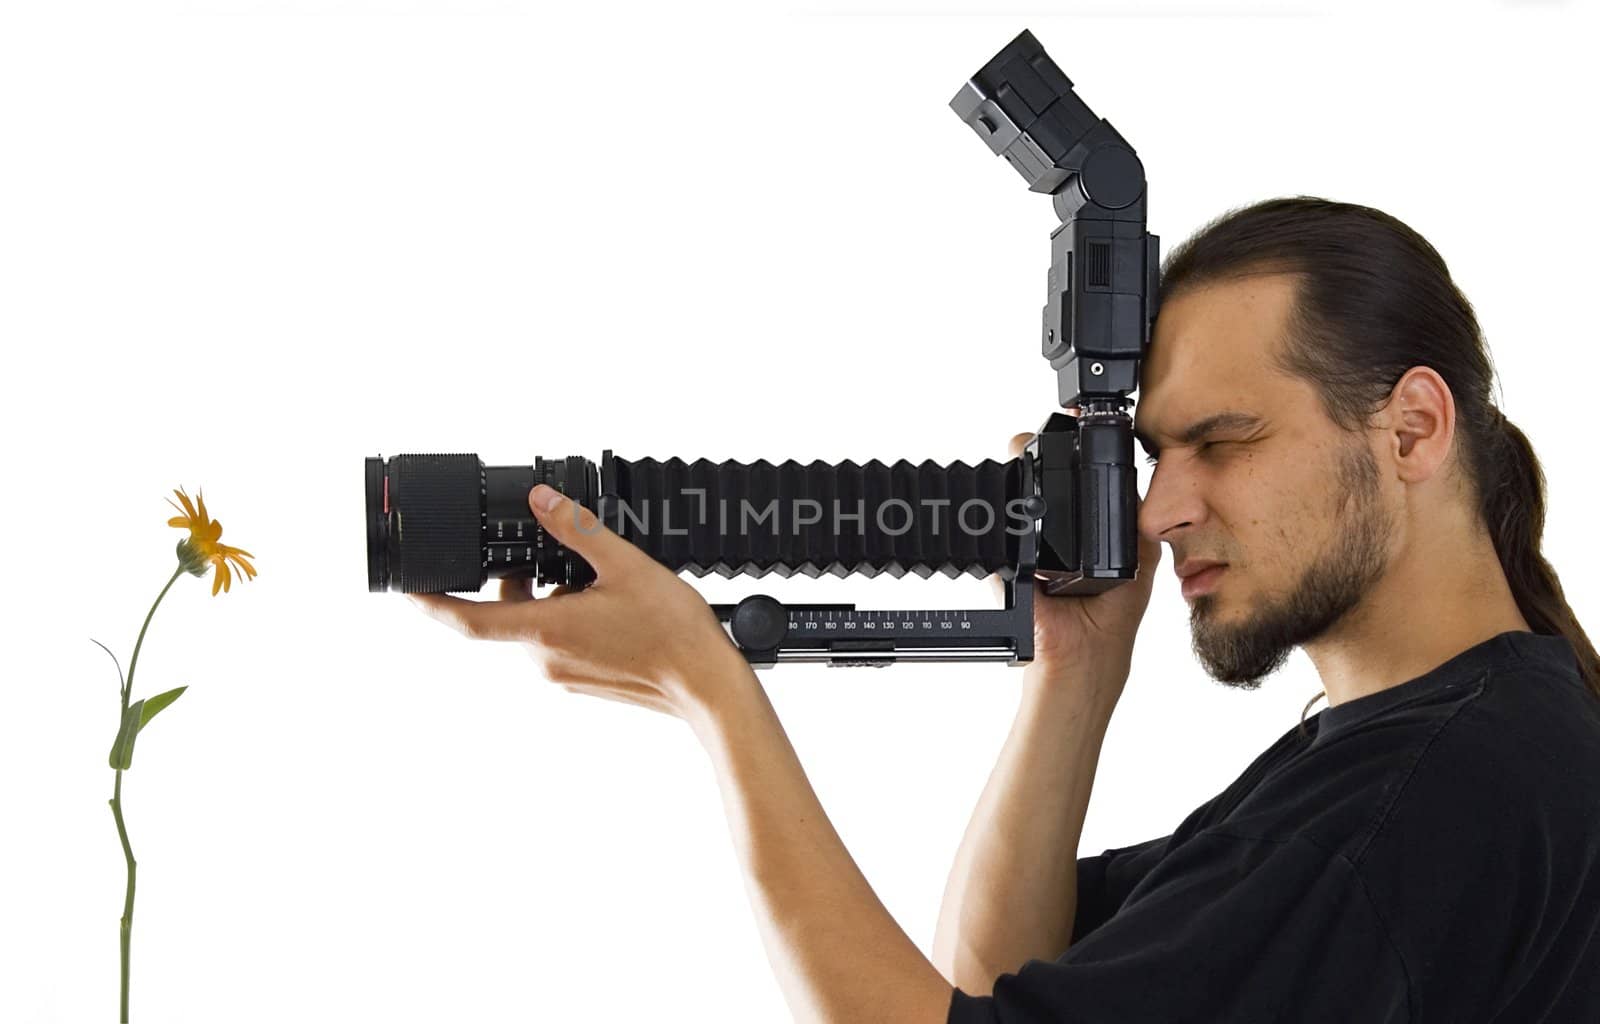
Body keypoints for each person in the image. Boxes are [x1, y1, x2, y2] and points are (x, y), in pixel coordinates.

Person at [408, 196, 1600, 1023]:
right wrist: (1071, 675)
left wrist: (714, 696)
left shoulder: (1430, 793)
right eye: (1154, 455)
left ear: (1411, 428)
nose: (1159, 508)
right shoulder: (1425, 748)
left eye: (1223, 442)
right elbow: (996, 984)